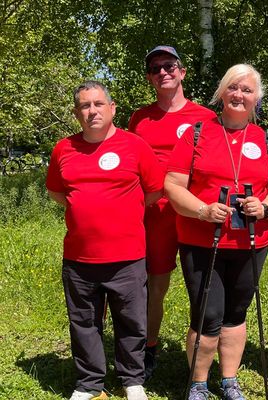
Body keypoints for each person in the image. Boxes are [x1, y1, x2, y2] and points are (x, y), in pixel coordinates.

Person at [164, 64, 268, 400]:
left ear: (256, 99)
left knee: (236, 312)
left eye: (247, 90)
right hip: (202, 240)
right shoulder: (197, 133)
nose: (239, 95)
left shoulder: (266, 140)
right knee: (208, 315)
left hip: (251, 242)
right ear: (222, 93)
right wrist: (203, 210)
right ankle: (198, 383)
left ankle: (229, 380)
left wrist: (264, 208)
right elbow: (173, 185)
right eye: (233, 88)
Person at [46, 81, 163, 400]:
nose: (91, 111)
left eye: (98, 104)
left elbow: (153, 190)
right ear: (76, 113)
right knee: (84, 323)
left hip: (127, 257)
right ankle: (89, 383)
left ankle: (132, 379)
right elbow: (58, 192)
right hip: (80, 259)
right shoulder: (63, 149)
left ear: (112, 109)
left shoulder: (135, 145)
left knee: (131, 322)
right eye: (84, 106)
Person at [128, 45, 217, 380]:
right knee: (155, 285)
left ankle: (204, 355)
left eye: (169, 66)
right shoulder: (140, 117)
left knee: (205, 286)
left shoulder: (205, 117)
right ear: (150, 77)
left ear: (181, 72)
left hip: (196, 212)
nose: (162, 72)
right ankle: (148, 349)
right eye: (155, 68)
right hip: (155, 214)